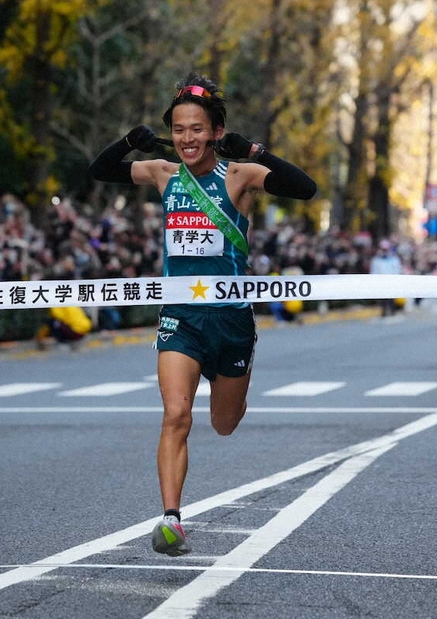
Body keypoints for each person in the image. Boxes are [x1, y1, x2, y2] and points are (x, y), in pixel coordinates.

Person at [89, 72, 316, 556]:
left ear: (215, 131)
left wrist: (254, 151)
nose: (186, 139)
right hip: (181, 316)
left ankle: (229, 382)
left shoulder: (239, 176)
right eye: (178, 129)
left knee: (225, 423)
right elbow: (100, 170)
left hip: (231, 319)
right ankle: (170, 519)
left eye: (196, 129)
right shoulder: (162, 174)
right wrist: (131, 141)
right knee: (176, 415)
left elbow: (306, 188)